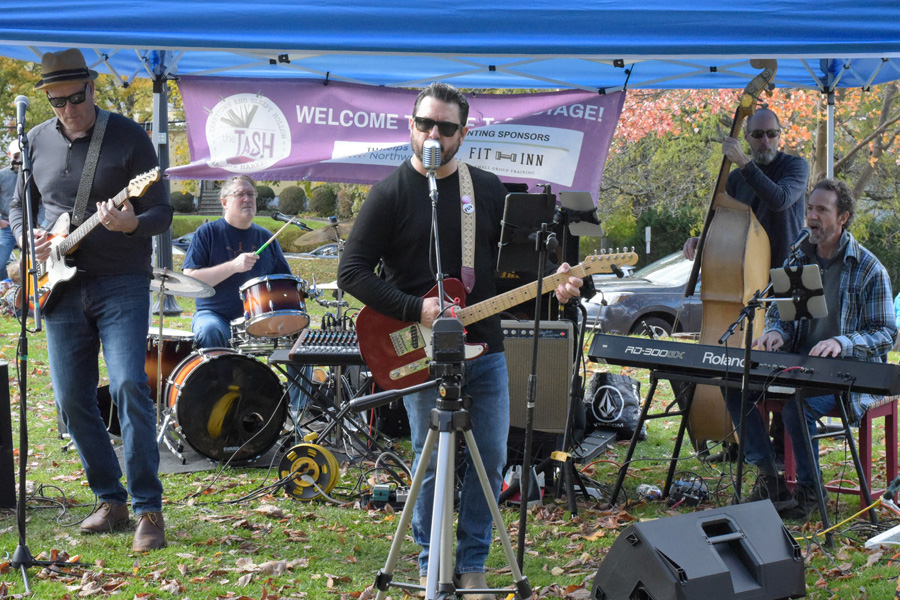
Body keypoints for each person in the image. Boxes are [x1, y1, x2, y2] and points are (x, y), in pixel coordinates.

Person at [338, 82, 582, 597]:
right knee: (431, 466)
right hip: (419, 351)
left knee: (490, 458)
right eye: (425, 124)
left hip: (486, 350)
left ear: (463, 134)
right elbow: (351, 272)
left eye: (446, 128)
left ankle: (472, 565)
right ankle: (432, 565)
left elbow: (522, 273)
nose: (433, 135)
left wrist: (561, 284)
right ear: (411, 126)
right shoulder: (391, 193)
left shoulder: (488, 190)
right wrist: (415, 308)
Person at [9, 48, 172, 550]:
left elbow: (162, 211)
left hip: (119, 280)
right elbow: (19, 204)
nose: (68, 110)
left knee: (127, 384)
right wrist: (27, 238)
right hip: (58, 285)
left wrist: (131, 224)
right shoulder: (34, 140)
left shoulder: (129, 137)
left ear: (92, 89)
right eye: (57, 102)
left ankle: (148, 509)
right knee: (70, 400)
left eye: (75, 98)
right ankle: (110, 498)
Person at [728, 178, 897, 520]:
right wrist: (775, 332)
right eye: (809, 209)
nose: (812, 217)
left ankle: (808, 489)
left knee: (796, 407)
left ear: (843, 217)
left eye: (822, 210)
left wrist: (841, 342)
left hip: (847, 376)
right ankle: (768, 477)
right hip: (798, 366)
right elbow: (781, 314)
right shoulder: (797, 257)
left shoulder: (868, 268)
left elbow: (887, 333)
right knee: (735, 385)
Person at [683, 107, 810, 464]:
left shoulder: (794, 167)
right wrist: (702, 239)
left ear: (781, 135)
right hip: (747, 285)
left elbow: (780, 200)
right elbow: (731, 226)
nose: (765, 141)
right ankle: (741, 443)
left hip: (786, 278)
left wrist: (743, 163)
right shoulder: (738, 179)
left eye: (772, 134)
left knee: (783, 371)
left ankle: (785, 452)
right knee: (739, 371)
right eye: (757, 135)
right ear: (749, 138)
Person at [181, 175, 306, 413]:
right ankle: (221, 405)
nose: (248, 198)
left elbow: (284, 284)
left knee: (300, 332)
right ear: (224, 201)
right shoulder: (207, 233)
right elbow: (190, 279)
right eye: (240, 194)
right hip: (215, 314)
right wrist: (233, 266)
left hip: (260, 320)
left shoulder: (266, 238)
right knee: (209, 330)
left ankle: (297, 413)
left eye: (251, 194)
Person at [0, 140, 22, 270]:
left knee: (31, 264)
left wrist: (40, 221)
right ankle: (4, 288)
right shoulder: (2, 175)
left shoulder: (31, 174)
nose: (19, 159)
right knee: (1, 263)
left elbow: (43, 200)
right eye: (16, 156)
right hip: (7, 226)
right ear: (9, 155)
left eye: (22, 156)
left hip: (28, 226)